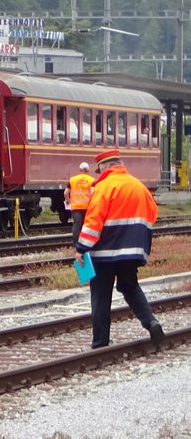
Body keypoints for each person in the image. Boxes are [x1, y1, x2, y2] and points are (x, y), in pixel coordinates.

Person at [74, 148, 163, 349]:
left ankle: (100, 343)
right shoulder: (139, 187)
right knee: (129, 285)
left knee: (100, 294)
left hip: (104, 253)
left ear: (104, 167)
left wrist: (81, 248)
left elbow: (93, 222)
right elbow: (153, 214)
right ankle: (151, 322)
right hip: (133, 252)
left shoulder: (104, 187)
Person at [63, 161, 94, 242]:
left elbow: (66, 193)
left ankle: (76, 244)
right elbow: (93, 193)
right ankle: (85, 243)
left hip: (75, 207)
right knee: (86, 226)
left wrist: (69, 201)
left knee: (76, 225)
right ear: (88, 171)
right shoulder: (91, 180)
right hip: (87, 208)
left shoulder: (72, 180)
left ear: (79, 170)